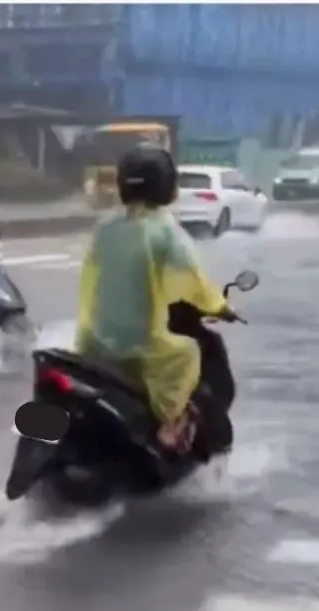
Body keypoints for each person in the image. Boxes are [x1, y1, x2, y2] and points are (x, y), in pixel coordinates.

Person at [74, 144, 237, 452]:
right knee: (189, 351)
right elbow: (193, 283)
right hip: (142, 346)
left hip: (93, 342)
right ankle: (170, 424)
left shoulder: (104, 228)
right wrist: (220, 307)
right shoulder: (166, 232)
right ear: (167, 186)